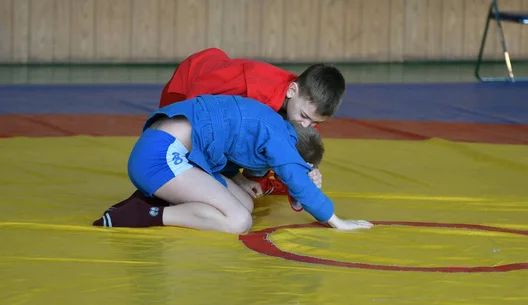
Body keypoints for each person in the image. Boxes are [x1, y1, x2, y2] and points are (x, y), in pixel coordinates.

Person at [102, 47, 346, 214]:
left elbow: (291, 149)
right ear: (292, 91)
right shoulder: (253, 87)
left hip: (221, 100)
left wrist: (306, 174)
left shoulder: (299, 104)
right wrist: (230, 173)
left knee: (257, 143)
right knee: (196, 147)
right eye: (305, 117)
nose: (306, 124)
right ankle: (154, 199)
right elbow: (200, 110)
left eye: (314, 123)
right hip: (191, 86)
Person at [92, 95, 373, 234]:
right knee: (239, 221)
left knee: (245, 201)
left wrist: (294, 184)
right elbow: (293, 177)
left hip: (172, 151)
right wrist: (335, 219)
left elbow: (228, 157)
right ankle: (147, 212)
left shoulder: (272, 125)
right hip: (159, 157)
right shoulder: (277, 138)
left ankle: (161, 196)